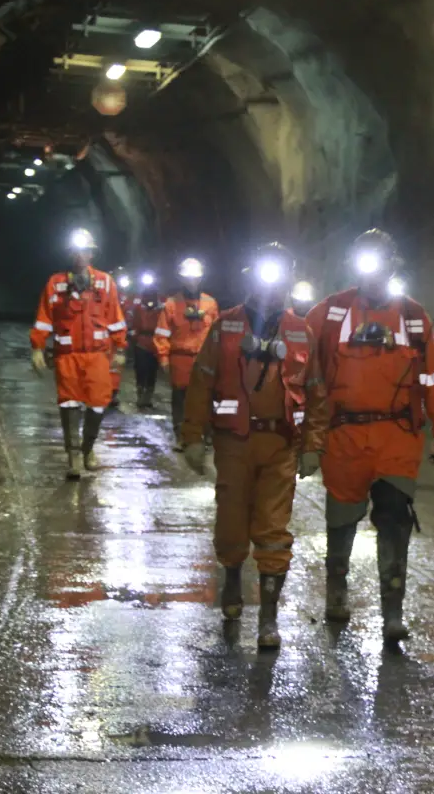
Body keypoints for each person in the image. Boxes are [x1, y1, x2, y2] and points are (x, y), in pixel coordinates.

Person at [305, 228, 434, 641]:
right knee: (341, 518)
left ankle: (393, 610)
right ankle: (336, 589)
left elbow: (432, 378)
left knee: (394, 518)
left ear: (393, 266)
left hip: (395, 435)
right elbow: (300, 363)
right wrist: (302, 432)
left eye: (381, 264)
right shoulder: (333, 312)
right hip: (344, 436)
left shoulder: (411, 317)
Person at [181, 243, 328, 650]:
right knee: (231, 520)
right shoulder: (226, 326)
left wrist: (313, 444)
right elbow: (201, 382)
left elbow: (316, 391)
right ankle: (231, 581)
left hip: (280, 444)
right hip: (234, 442)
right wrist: (193, 436)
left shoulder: (300, 331)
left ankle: (268, 618)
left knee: (273, 528)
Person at [30, 228, 127, 479]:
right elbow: (44, 318)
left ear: (92, 253)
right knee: (69, 403)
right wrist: (38, 347)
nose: (80, 255)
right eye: (76, 250)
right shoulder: (56, 284)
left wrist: (121, 348)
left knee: (98, 404)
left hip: (97, 355)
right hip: (67, 355)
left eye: (85, 250)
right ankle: (73, 457)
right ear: (69, 253)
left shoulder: (105, 283)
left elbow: (115, 318)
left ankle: (88, 449)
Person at [155, 257, 219, 449]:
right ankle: (182, 436)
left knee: (206, 397)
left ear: (200, 279)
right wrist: (164, 359)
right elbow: (161, 333)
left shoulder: (210, 303)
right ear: (182, 279)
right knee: (181, 398)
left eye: (195, 278)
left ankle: (205, 434)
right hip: (180, 358)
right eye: (188, 278)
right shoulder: (172, 304)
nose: (192, 281)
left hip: (204, 359)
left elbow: (217, 334)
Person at [130, 270, 163, 408]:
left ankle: (148, 395)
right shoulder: (138, 305)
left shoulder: (162, 306)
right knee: (141, 369)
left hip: (155, 343)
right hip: (142, 342)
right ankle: (140, 393)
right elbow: (132, 320)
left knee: (152, 370)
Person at [109, 266, 132, 408]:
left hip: (120, 336)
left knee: (116, 367)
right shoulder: (105, 294)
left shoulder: (128, 298)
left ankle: (113, 393)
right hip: (105, 336)